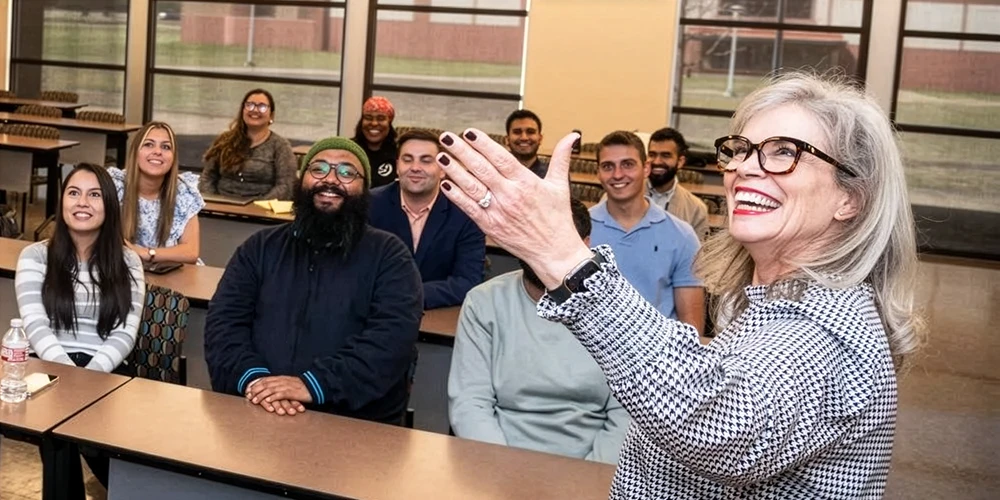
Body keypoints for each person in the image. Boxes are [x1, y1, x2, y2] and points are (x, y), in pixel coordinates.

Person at [431, 72, 923, 498]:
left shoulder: (828, 325)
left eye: (784, 153)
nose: (745, 168)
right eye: (742, 150)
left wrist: (564, 258)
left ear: (851, 199)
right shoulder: (770, 304)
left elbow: (720, 425)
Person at [204, 137, 423, 424]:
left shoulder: (390, 256)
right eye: (318, 169)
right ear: (302, 180)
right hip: (257, 410)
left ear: (364, 189)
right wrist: (257, 382)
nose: (330, 180)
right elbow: (224, 325)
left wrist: (312, 385)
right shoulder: (259, 248)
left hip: (354, 425)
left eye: (347, 173)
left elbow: (390, 342)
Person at [449, 198, 628, 464]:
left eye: (551, 240)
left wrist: (587, 480)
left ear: (585, 245)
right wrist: (505, 472)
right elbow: (469, 402)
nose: (539, 251)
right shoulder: (484, 303)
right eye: (530, 238)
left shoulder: (617, 311)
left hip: (590, 470)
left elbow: (625, 417)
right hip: (496, 463)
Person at [15, 163, 145, 494]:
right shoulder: (35, 256)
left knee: (90, 439)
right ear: (61, 203)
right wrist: (69, 379)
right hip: (49, 368)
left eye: (94, 195)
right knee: (58, 427)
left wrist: (86, 381)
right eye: (73, 193)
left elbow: (125, 333)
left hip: (108, 369)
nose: (82, 202)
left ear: (109, 206)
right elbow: (36, 326)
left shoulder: (128, 261)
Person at [591, 130, 705, 334]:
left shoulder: (682, 236)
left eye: (627, 164)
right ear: (598, 172)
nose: (617, 174)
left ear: (645, 168)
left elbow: (691, 328)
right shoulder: (578, 233)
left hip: (655, 358)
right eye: (608, 166)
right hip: (585, 356)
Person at [369, 128, 485, 309]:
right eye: (408, 160)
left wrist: (406, 295)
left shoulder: (466, 213)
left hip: (437, 315)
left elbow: (467, 281)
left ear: (443, 170)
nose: (415, 167)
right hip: (374, 312)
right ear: (398, 166)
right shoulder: (369, 205)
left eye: (426, 160)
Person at [109, 121, 204, 264]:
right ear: (135, 152)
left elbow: (191, 252)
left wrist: (146, 253)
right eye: (149, 144)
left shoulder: (184, 191)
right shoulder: (114, 186)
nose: (158, 152)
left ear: (173, 158)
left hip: (173, 274)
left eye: (166, 147)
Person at [200, 88, 297, 200]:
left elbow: (285, 186)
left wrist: (256, 208)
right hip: (221, 209)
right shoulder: (224, 140)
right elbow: (207, 177)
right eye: (249, 105)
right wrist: (214, 201)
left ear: (271, 115)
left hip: (261, 212)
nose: (255, 110)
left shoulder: (281, 146)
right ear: (243, 110)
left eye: (262, 107)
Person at [645, 127, 711, 240]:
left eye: (665, 155)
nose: (656, 161)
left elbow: (700, 255)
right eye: (652, 155)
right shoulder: (623, 196)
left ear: (680, 162)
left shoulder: (696, 209)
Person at [352, 96, 399, 188]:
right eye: (368, 118)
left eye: (381, 118)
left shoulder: (399, 153)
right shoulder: (350, 150)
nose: (374, 123)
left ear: (389, 123)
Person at [504, 109, 547, 178]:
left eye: (530, 132)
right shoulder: (495, 173)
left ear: (540, 139)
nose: (524, 138)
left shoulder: (552, 176)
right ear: (507, 140)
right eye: (517, 132)